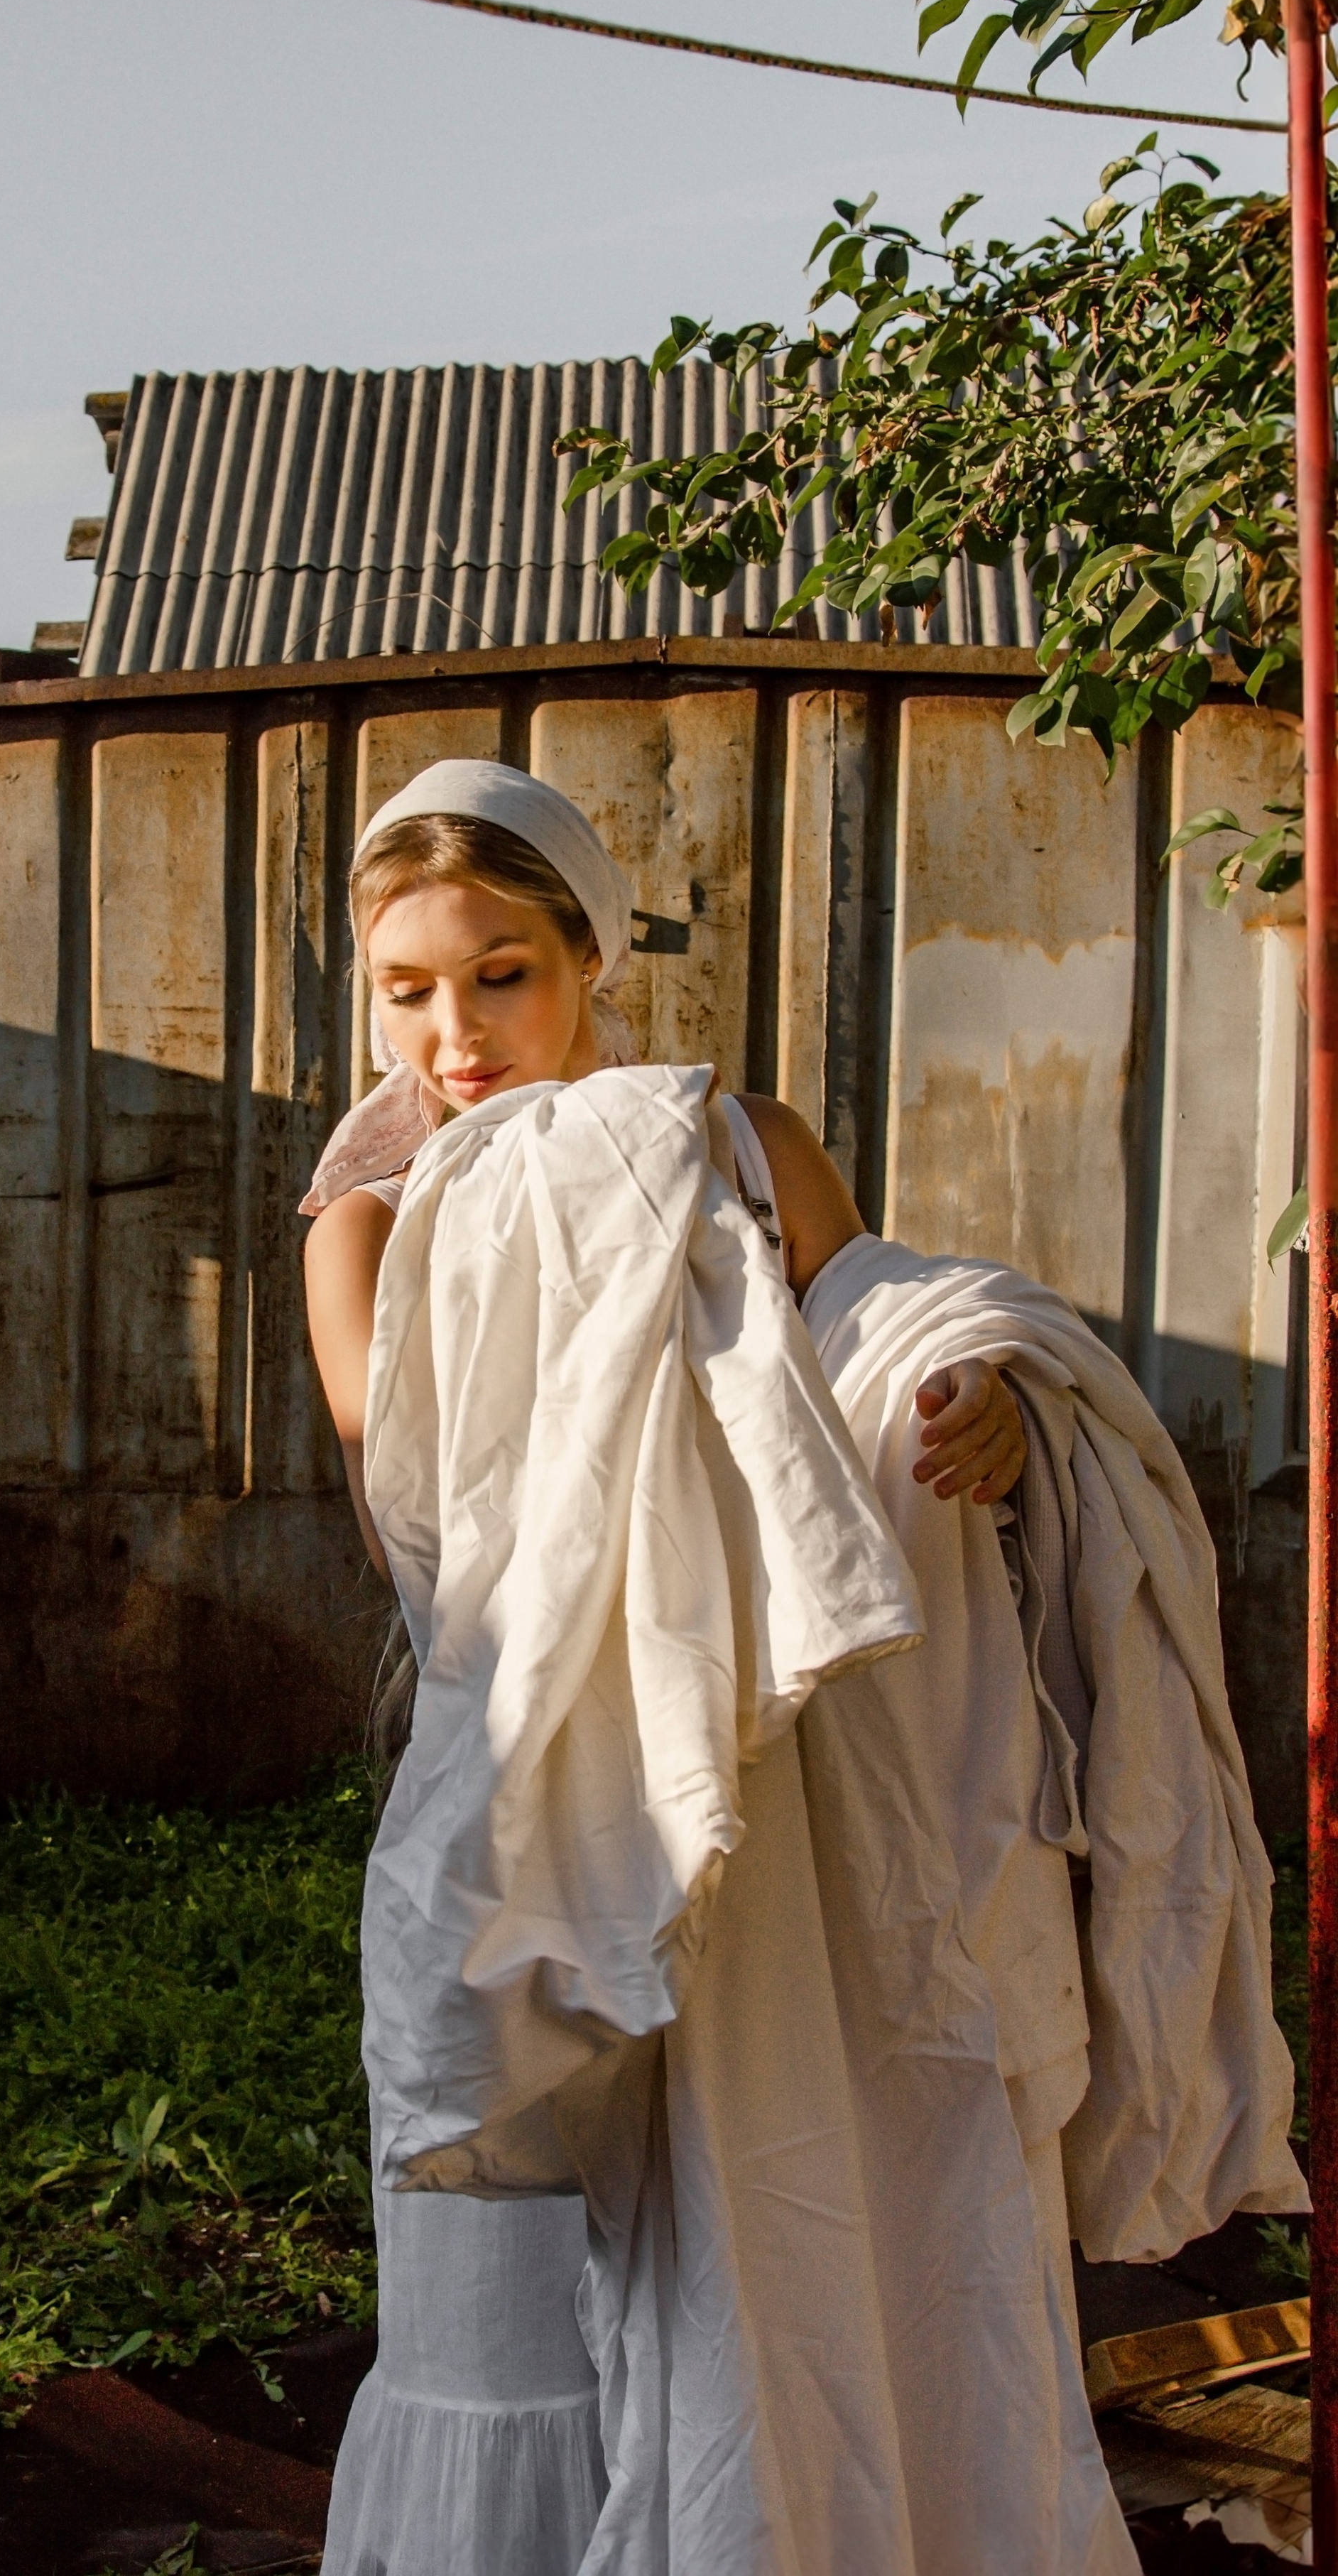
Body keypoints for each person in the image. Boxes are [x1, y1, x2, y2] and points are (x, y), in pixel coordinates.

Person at [300, 761, 1302, 2576]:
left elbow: (877, 1338)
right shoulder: (372, 1221)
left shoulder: (739, 1149)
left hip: (796, 1807)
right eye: (408, 986)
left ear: (586, 951)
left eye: (500, 971)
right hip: (549, 1806)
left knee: (804, 2234)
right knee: (514, 2306)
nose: (452, 1033)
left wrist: (981, 1407)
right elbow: (421, 1511)